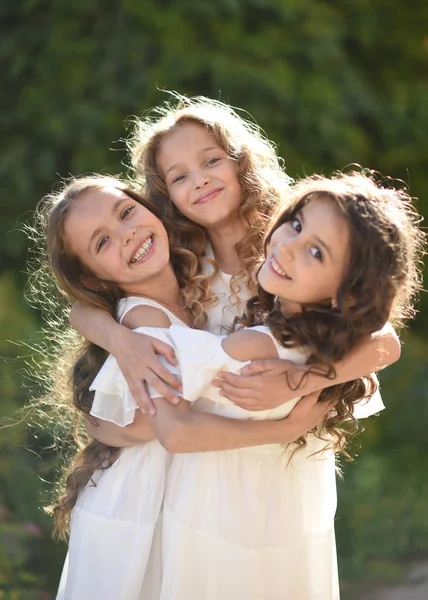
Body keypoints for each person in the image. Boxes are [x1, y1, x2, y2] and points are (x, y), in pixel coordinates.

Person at [87, 171, 424, 600]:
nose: (286, 245)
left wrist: (106, 425)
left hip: (215, 514)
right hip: (284, 513)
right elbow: (385, 341)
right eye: (297, 225)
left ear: (348, 295)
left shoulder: (251, 346)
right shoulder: (328, 345)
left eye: (315, 252)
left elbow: (164, 416)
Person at [33, 175, 332, 600]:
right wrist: (283, 431)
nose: (128, 233)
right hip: (147, 502)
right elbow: (178, 432)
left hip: (199, 497)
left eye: (126, 212)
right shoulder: (144, 322)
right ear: (95, 278)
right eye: (102, 243)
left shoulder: (195, 277)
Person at [70, 95, 401, 418]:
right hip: (214, 447)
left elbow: (384, 341)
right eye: (180, 177)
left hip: (288, 448)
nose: (200, 181)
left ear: (240, 161)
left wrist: (295, 382)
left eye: (211, 161)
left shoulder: (288, 242)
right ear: (167, 196)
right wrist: (120, 342)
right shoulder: (178, 258)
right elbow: (85, 306)